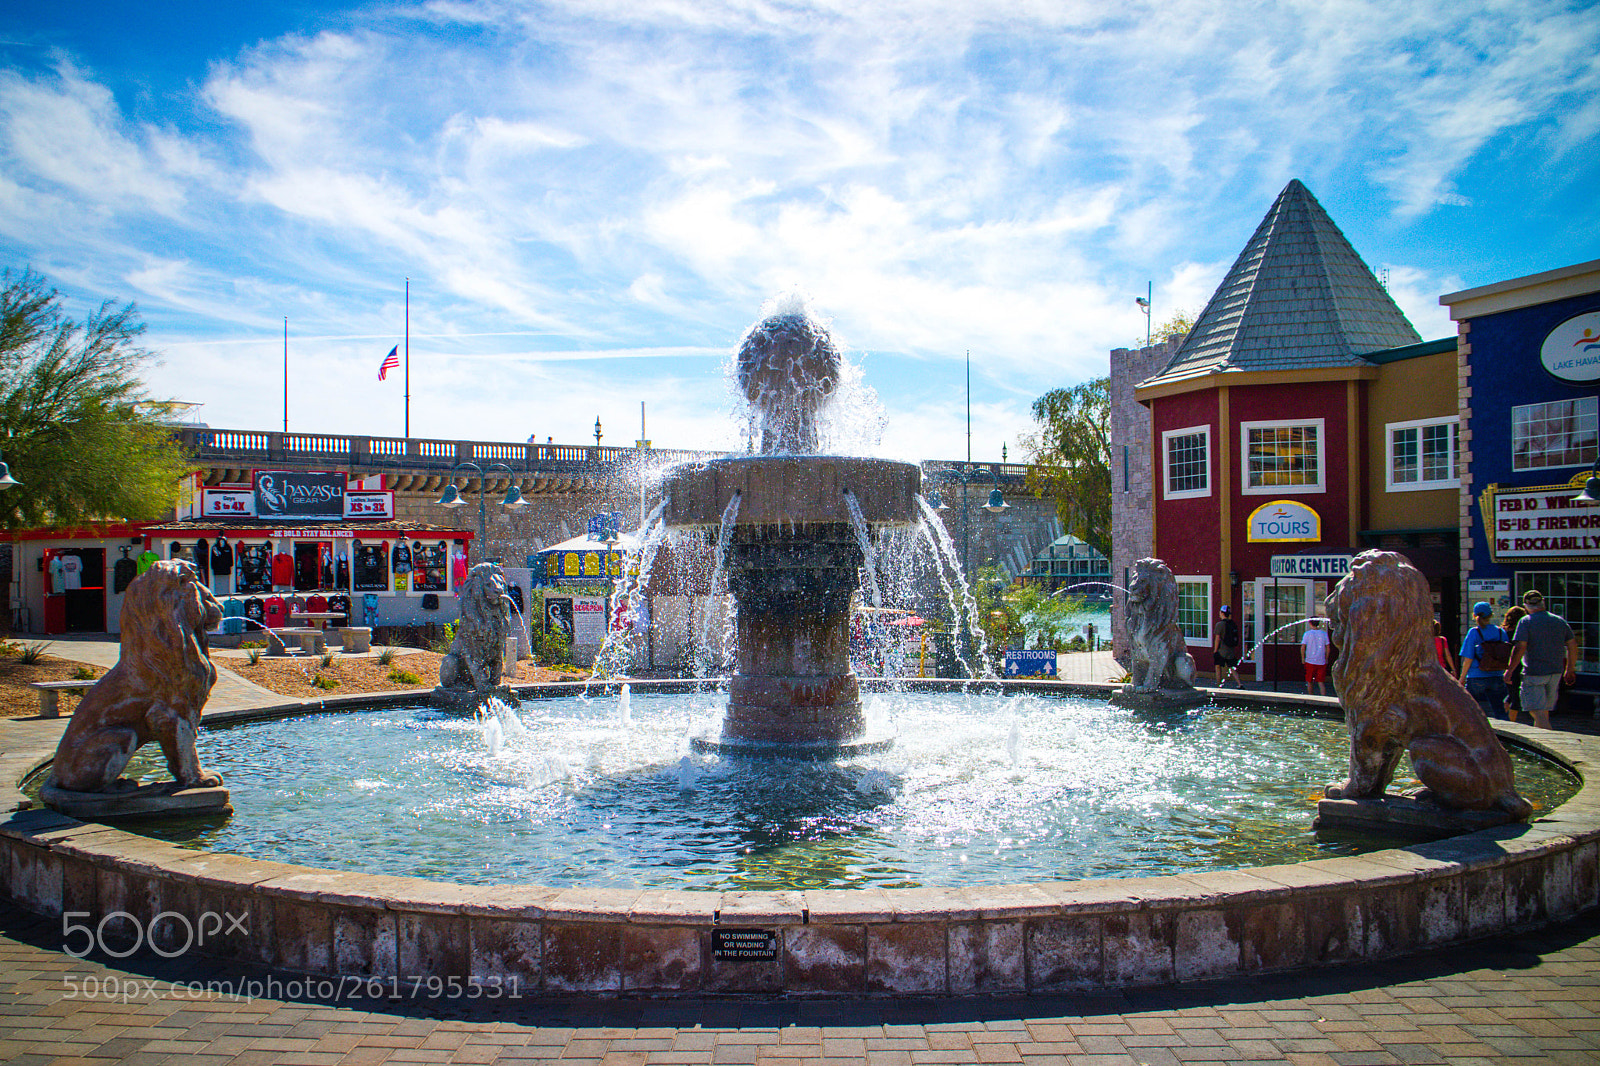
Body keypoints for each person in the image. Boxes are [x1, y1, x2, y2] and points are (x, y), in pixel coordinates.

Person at [1503, 589, 1578, 731]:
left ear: (1526, 606)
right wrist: (1570, 669)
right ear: (1543, 602)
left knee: (1536, 711)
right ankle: (1540, 745)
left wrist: (1509, 670)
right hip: (1555, 673)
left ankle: (1550, 742)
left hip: (1533, 673)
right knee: (1543, 711)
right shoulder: (1559, 621)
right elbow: (1572, 645)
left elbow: (1520, 648)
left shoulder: (1525, 622)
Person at [1458, 601, 1510, 720]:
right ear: (1491, 615)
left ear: (1475, 615)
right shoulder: (1500, 632)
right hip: (1496, 674)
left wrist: (1462, 678)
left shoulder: (1474, 632)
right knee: (1500, 710)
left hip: (1476, 675)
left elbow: (1468, 658)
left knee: (1470, 710)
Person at [1501, 604, 1528, 724]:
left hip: (1505, 666)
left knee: (1511, 694)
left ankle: (1502, 716)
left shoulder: (1504, 633)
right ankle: (1511, 722)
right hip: (1517, 666)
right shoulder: (1520, 633)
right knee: (1516, 697)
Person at [1300, 617, 1332, 696]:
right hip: (1321, 661)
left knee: (1309, 681)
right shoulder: (1324, 634)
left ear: (1310, 623)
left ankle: (1311, 697)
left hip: (1310, 660)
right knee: (1321, 682)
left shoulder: (1307, 634)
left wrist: (1303, 658)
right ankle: (1323, 698)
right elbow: (1328, 648)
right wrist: (1326, 658)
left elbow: (1303, 647)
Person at [1212, 604, 1242, 687]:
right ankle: (1239, 684)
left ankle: (1219, 684)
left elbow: (1217, 638)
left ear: (1222, 613)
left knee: (1218, 666)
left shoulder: (1219, 624)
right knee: (1232, 667)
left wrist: (1215, 650)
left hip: (1221, 650)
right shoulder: (1232, 623)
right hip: (1231, 649)